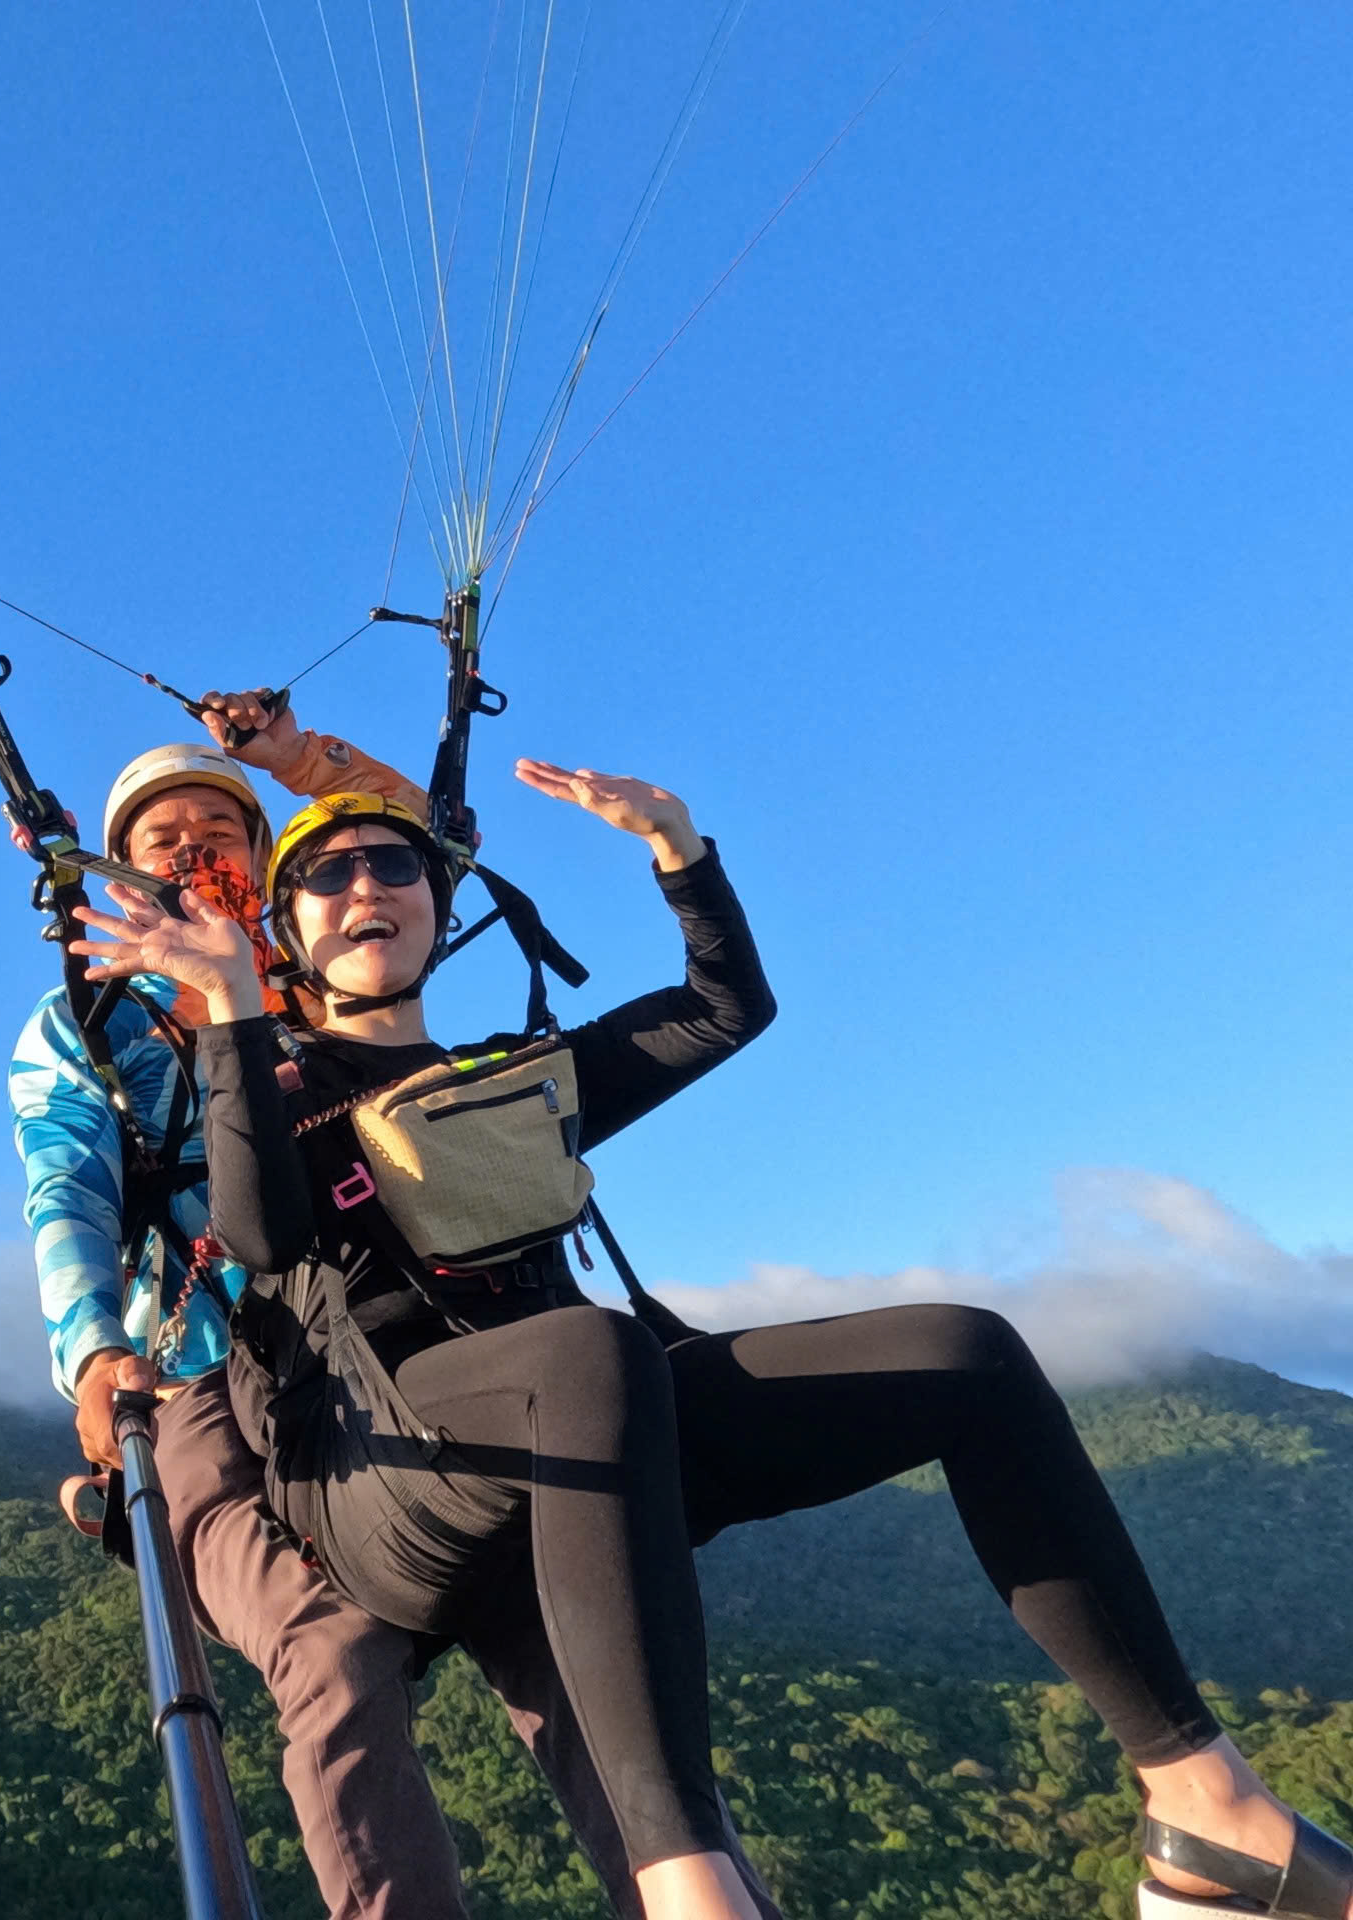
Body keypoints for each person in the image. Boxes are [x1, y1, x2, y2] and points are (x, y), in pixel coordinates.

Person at [72, 764, 1353, 1920]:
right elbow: (255, 1226)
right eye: (326, 876)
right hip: (385, 1483)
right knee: (589, 1348)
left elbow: (722, 1006)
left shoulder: (523, 1081)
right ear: (287, 930)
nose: (366, 886)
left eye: (392, 863)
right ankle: (693, 1896)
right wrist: (232, 1007)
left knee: (966, 1355)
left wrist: (678, 850)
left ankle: (1205, 1813)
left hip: (577, 1438)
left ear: (433, 901)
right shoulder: (277, 1094)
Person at [13, 703, 772, 1920]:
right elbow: (68, 1183)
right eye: (164, 837)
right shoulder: (85, 1029)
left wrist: (299, 759)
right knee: (333, 1650)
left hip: (376, 1355)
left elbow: (407, 852)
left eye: (220, 827)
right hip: (206, 1365)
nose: (192, 847)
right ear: (120, 868)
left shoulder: (311, 989)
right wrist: (93, 1348)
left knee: (569, 1632)